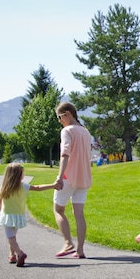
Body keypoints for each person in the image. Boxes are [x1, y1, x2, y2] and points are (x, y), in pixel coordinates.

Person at [0, 163, 59, 267]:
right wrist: (53, 185)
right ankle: (12, 255)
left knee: (10, 238)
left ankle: (20, 253)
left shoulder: (5, 187)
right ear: (20, 175)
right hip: (18, 216)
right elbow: (38, 187)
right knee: (13, 236)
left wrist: (1, 211)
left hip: (7, 216)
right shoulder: (23, 186)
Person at [53, 102, 92, 259]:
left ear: (68, 114)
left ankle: (68, 242)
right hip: (84, 179)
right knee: (79, 214)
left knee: (58, 209)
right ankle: (80, 250)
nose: (60, 120)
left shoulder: (67, 131)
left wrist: (60, 176)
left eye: (60, 117)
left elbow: (65, 154)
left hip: (69, 177)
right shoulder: (85, 132)